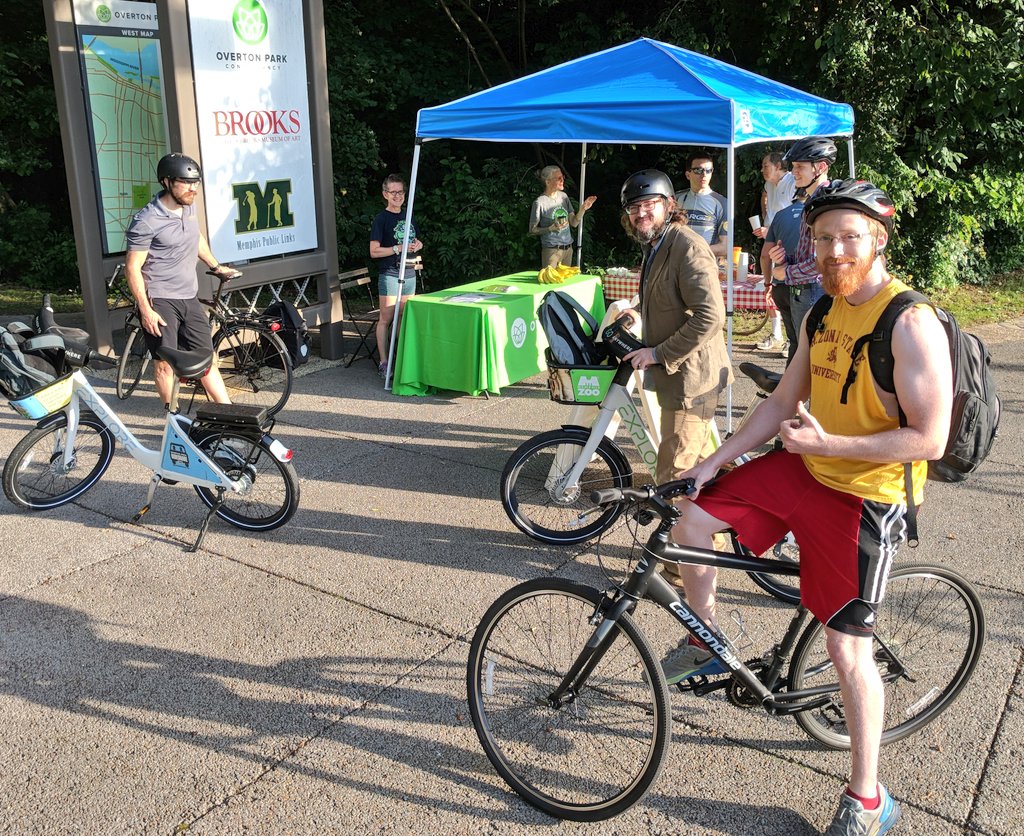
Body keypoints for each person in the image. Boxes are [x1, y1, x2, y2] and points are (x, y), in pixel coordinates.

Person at [666, 179, 952, 835]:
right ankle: (706, 640)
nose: (832, 249)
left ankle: (870, 800)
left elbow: (929, 438)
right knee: (694, 514)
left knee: (847, 648)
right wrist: (712, 461)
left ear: (876, 239)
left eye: (848, 236)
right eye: (822, 238)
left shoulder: (908, 322)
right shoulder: (822, 310)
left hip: (866, 493)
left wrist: (834, 443)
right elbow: (777, 404)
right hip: (807, 467)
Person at [617, 169, 733, 587]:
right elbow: (670, 303)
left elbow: (709, 316)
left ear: (669, 205)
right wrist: (639, 314)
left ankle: (680, 571)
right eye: (635, 207)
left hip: (691, 378)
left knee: (673, 476)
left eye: (650, 204)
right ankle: (707, 548)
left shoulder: (687, 246)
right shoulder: (656, 245)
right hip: (679, 376)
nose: (642, 212)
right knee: (697, 470)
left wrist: (656, 352)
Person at [125, 152, 237, 408]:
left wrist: (216, 266)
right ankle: (172, 418)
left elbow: (196, 238)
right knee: (165, 364)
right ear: (166, 182)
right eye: (186, 182)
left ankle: (230, 415)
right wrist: (146, 311)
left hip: (188, 296)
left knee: (206, 358)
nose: (193, 188)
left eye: (196, 182)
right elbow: (133, 269)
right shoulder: (146, 221)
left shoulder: (188, 208)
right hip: (160, 300)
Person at [766, 136, 837, 346]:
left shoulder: (826, 203)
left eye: (800, 167)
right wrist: (783, 259)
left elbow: (824, 260)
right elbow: (806, 252)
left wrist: (785, 272)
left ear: (820, 167)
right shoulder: (811, 201)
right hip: (803, 291)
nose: (793, 172)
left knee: (811, 355)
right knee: (801, 352)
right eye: (793, 166)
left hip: (816, 292)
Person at [370, 173, 423, 379]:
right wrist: (396, 247)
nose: (397, 196)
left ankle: (401, 360)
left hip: (409, 272)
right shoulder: (381, 219)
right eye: (393, 192)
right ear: (385, 194)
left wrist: (418, 245)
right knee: (386, 318)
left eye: (400, 192)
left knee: (404, 316)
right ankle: (384, 363)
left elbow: (415, 241)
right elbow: (374, 251)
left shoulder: (409, 215)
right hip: (390, 274)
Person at [758, 188, 808, 363]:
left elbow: (765, 255)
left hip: (781, 286)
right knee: (808, 344)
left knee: (794, 340)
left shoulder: (780, 215)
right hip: (806, 286)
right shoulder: (816, 213)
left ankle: (789, 387)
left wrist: (767, 283)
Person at [753, 151, 796, 351]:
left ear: (778, 166)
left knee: (785, 286)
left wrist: (769, 229)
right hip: (772, 234)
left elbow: (795, 216)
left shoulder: (791, 182)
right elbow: (767, 201)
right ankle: (776, 332)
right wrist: (765, 222)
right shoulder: (769, 185)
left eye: (766, 165)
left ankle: (790, 337)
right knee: (767, 277)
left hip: (788, 238)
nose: (762, 169)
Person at [528, 165, 596, 269]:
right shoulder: (539, 203)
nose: (562, 180)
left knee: (565, 284)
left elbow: (574, 223)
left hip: (568, 250)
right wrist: (550, 228)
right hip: (551, 251)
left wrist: (583, 209)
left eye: (562, 177)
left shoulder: (563, 197)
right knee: (551, 284)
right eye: (559, 178)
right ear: (548, 182)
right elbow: (532, 230)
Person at [673, 153, 728, 257]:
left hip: (704, 264)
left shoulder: (722, 203)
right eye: (698, 170)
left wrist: (693, 252)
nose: (704, 175)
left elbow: (725, 247)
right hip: (677, 263)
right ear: (688, 175)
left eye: (708, 170)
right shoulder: (676, 199)